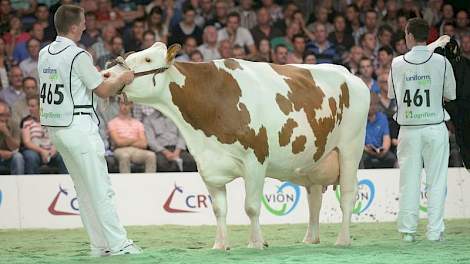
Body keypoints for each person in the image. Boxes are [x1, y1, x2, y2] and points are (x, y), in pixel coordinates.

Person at [37, 5, 141, 256]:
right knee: (99, 189)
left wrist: (102, 76)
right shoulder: (78, 55)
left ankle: (100, 245)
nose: (85, 26)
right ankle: (119, 245)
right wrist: (123, 78)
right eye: (83, 22)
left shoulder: (44, 53)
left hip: (57, 128)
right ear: (74, 27)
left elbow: (75, 82)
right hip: (79, 127)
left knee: (84, 190)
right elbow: (103, 90)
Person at [388, 18, 456, 242]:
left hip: (408, 129)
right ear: (426, 36)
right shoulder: (442, 62)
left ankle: (408, 232)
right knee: (436, 181)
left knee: (409, 180)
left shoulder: (396, 63)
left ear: (408, 35)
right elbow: (451, 95)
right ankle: (435, 232)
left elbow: (392, 95)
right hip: (435, 127)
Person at [21, 96, 67, 174]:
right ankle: (31, 183)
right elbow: (27, 142)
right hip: (36, 152)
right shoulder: (26, 122)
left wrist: (55, 148)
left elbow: (59, 137)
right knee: (31, 156)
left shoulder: (52, 121)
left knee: (62, 155)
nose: (29, 108)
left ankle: (67, 182)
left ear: (40, 106)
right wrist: (42, 151)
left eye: (32, 106)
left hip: (52, 151)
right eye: (29, 106)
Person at [107, 99, 156, 173]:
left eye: (127, 104)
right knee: (124, 156)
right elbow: (118, 142)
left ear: (131, 105)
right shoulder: (112, 123)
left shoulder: (138, 123)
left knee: (151, 155)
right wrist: (135, 139)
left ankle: (149, 182)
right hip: (119, 150)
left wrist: (125, 140)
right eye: (122, 103)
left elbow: (144, 144)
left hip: (136, 150)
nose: (125, 106)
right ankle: (126, 183)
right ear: (119, 104)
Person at [0, 101, 24, 174]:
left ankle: (19, 184)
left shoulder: (14, 124)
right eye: (0, 115)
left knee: (18, 157)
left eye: (6, 115)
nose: (2, 118)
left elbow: (15, 148)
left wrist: (6, 133)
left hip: (9, 156)